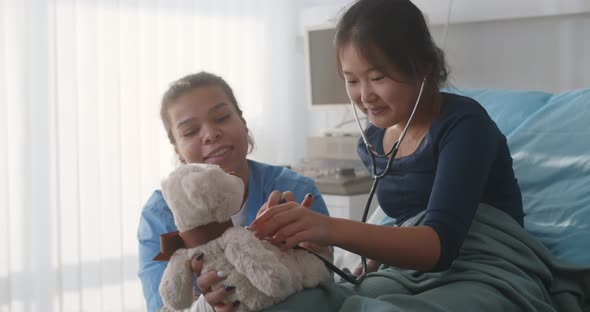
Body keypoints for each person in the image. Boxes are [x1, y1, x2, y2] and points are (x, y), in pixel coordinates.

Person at [137, 71, 331, 312]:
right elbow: (162, 306)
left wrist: (311, 259)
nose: (210, 134)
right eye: (189, 132)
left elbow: (327, 287)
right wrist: (204, 308)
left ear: (243, 122)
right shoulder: (159, 215)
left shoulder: (294, 190)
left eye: (221, 117)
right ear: (178, 150)